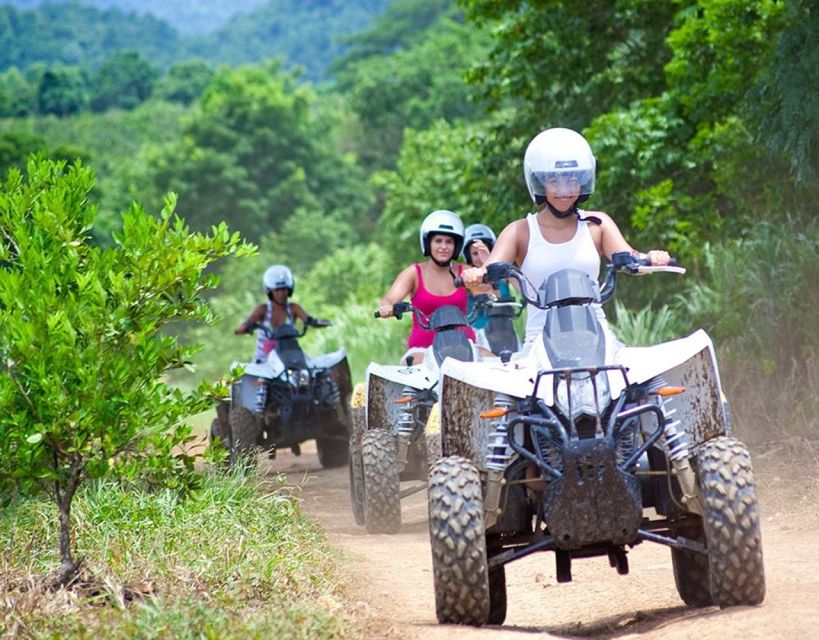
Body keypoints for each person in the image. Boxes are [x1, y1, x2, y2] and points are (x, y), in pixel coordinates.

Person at [462, 127, 669, 345]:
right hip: (540, 344)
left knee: (653, 376)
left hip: (597, 337)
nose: (565, 189)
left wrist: (651, 258)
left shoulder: (598, 224)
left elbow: (630, 258)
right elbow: (489, 274)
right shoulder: (519, 231)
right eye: (555, 181)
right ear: (540, 183)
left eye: (572, 180)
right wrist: (475, 277)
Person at [378, 210, 476, 361]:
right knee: (410, 371)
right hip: (422, 351)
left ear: (456, 246)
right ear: (428, 243)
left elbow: (491, 295)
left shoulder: (466, 272)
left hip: (465, 347)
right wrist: (387, 307)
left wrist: (487, 262)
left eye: (449, 242)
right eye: (438, 241)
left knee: (495, 363)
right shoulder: (414, 273)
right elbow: (389, 299)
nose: (443, 246)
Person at [235, 264, 325, 363]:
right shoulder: (262, 309)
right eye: (277, 290)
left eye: (284, 289)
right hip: (265, 359)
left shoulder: (293, 308)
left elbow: (308, 319)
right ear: (270, 291)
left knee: (309, 374)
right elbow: (243, 326)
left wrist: (316, 322)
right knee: (260, 379)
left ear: (290, 290)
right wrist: (246, 328)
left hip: (290, 356)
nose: (281, 293)